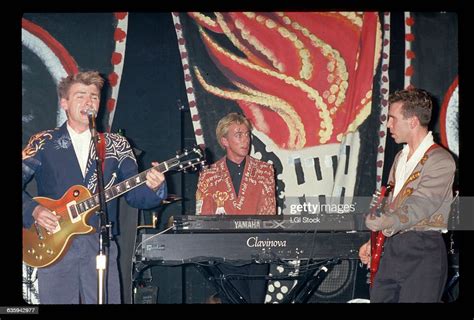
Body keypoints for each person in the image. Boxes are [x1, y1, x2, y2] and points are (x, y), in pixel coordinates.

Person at [22, 71, 167, 304]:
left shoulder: (116, 145)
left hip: (100, 242)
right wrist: (34, 211)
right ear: (64, 103)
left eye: (94, 96)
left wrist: (155, 187)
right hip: (54, 241)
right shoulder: (43, 142)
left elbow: (136, 197)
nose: (89, 102)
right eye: (80, 96)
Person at [358, 88, 456, 302]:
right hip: (393, 248)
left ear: (412, 121)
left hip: (423, 249)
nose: (388, 125)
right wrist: (373, 241)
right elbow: (392, 204)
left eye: (392, 119)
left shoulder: (441, 161)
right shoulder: (400, 159)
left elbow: (420, 205)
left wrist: (386, 222)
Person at [196, 112, 276, 303]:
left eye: (247, 134)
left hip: (257, 254)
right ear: (224, 140)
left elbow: (268, 214)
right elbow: (203, 218)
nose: (245, 139)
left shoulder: (265, 170)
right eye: (238, 135)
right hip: (225, 255)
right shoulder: (209, 174)